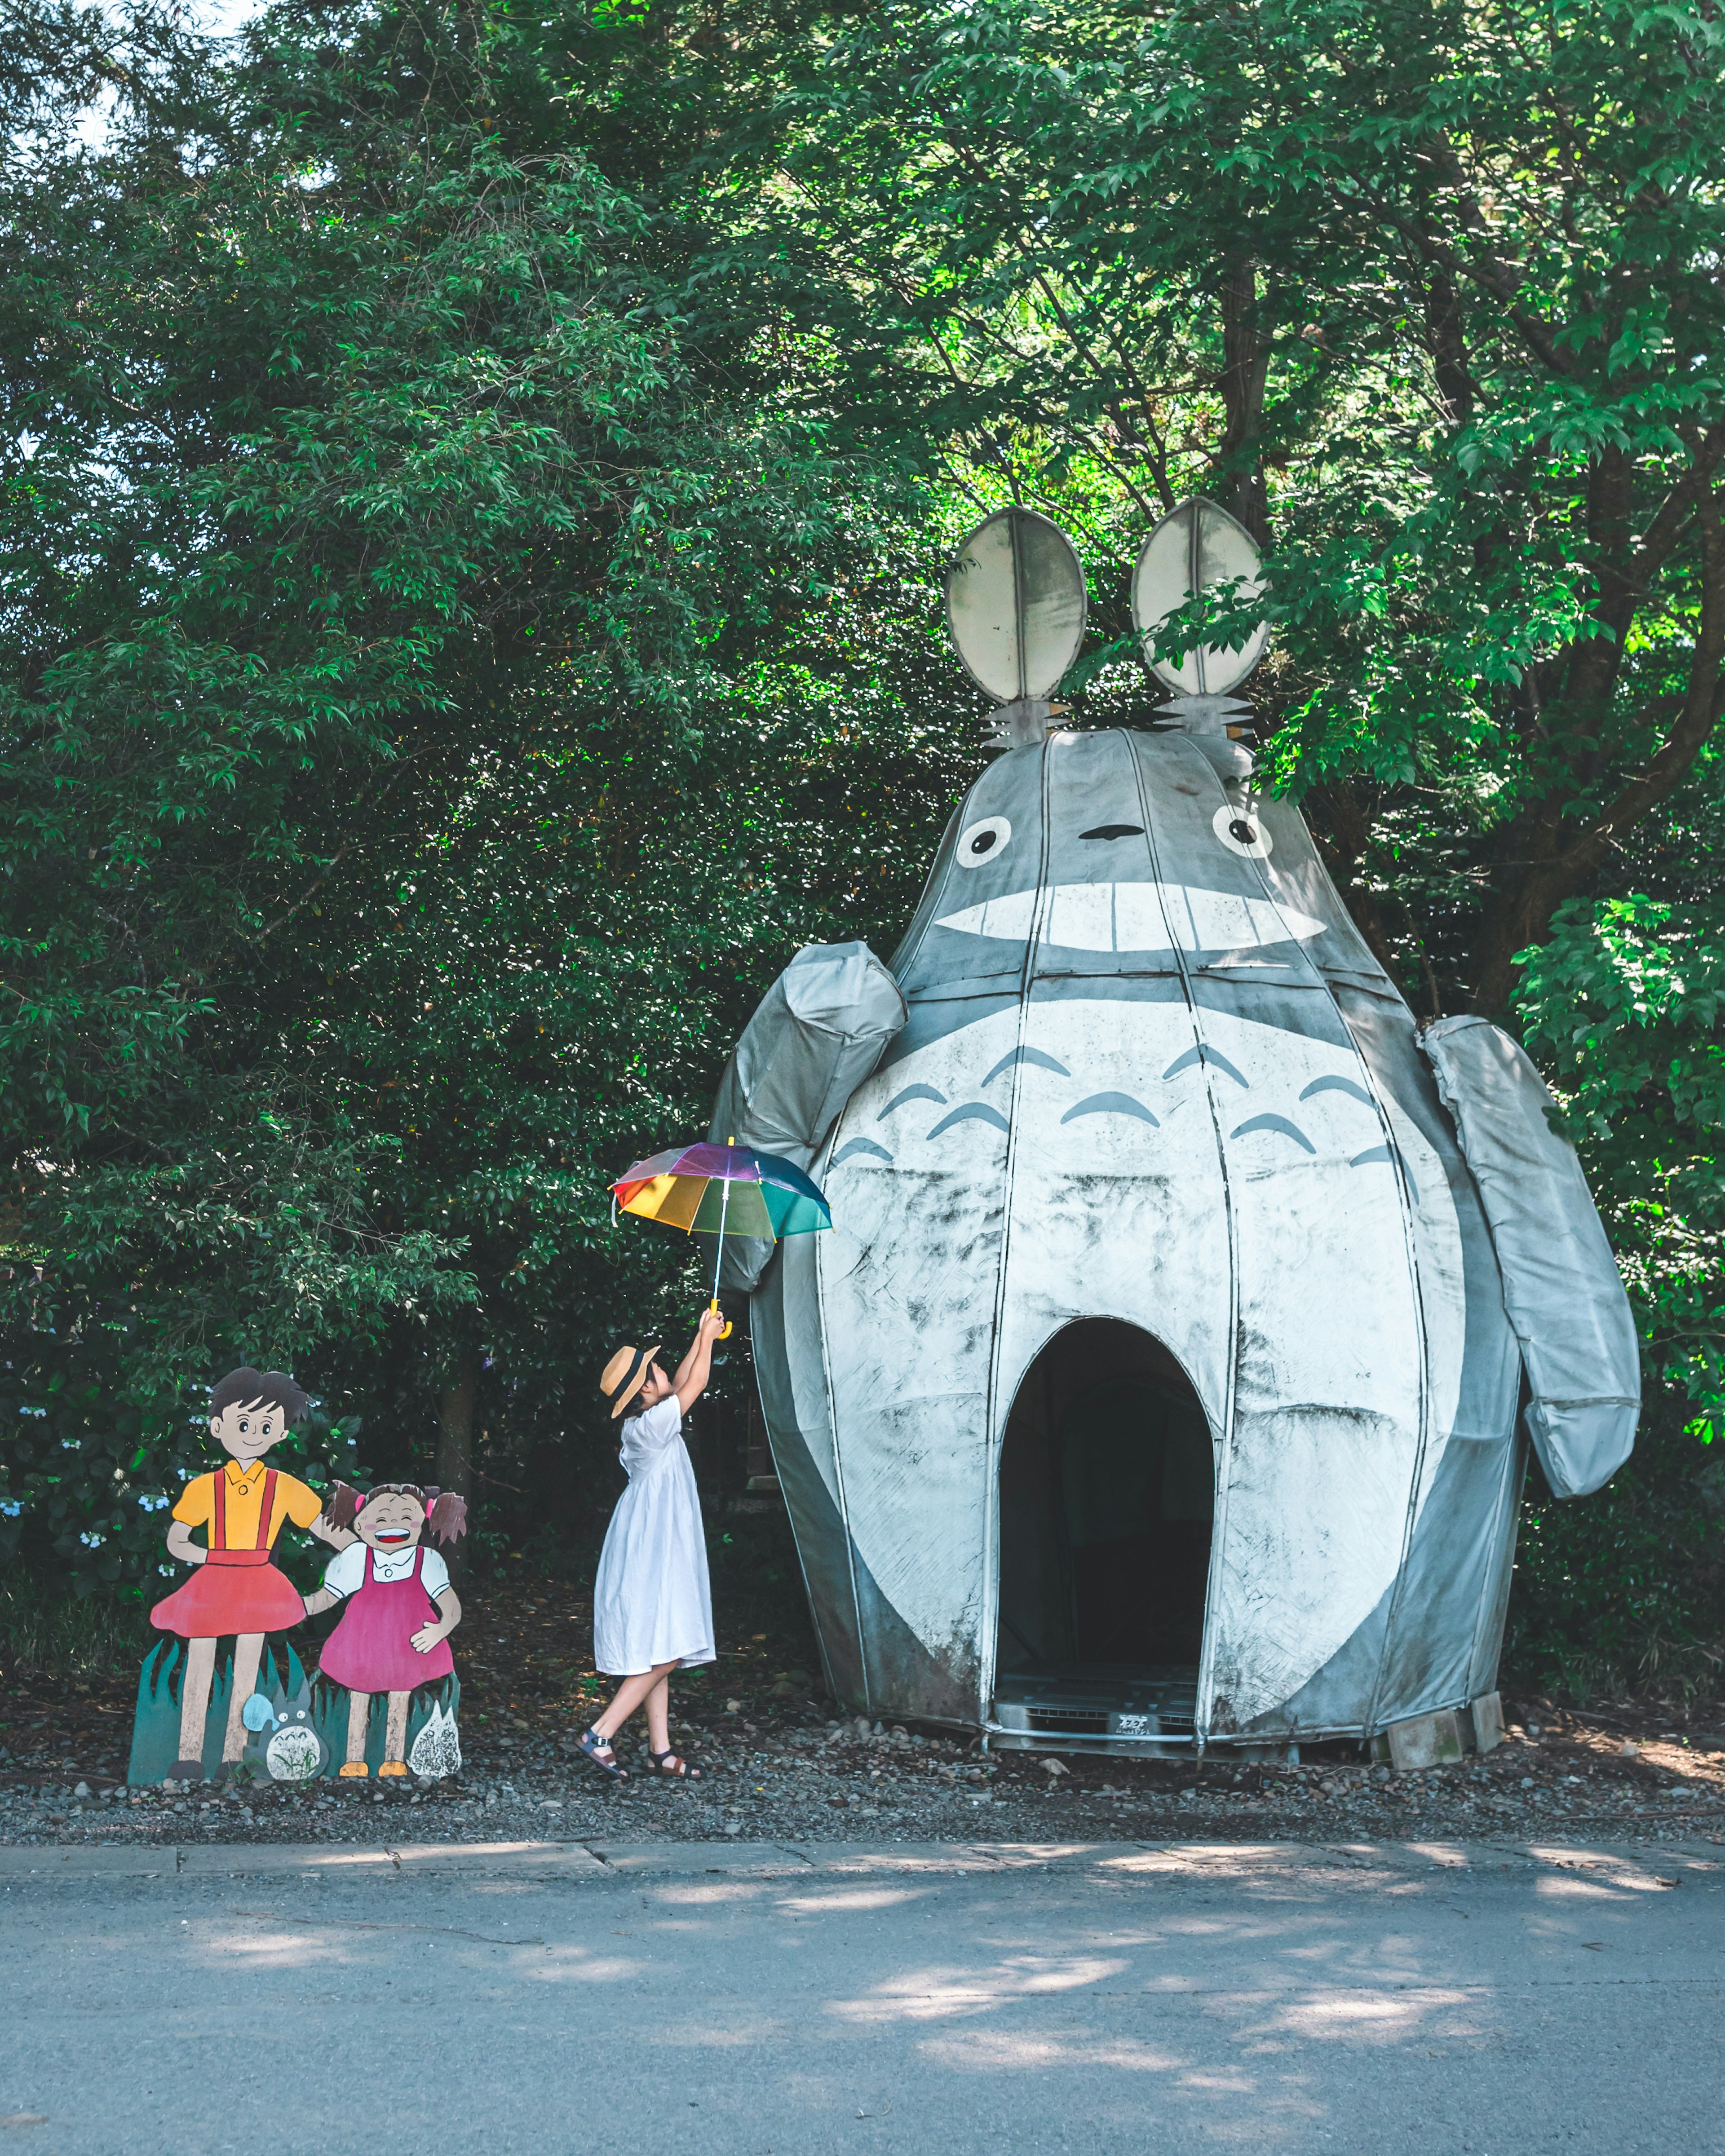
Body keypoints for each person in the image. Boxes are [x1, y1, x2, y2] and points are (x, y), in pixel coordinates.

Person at [150, 1366, 355, 1782]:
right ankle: (188, 1753)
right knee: (199, 1662)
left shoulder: (284, 1486)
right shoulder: (205, 1487)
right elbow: (177, 1539)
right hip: (213, 1580)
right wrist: (211, 1555)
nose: (252, 1433)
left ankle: (233, 1754)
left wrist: (365, 1551)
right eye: (243, 1423)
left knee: (247, 1668)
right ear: (218, 1426)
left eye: (266, 1426)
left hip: (257, 1583)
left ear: (280, 1434)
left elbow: (323, 1527)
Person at [580, 1309, 725, 1781]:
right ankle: (601, 1731)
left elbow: (683, 1378)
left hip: (649, 1537)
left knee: (654, 1645)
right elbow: (695, 1384)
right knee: (670, 1649)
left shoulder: (649, 1418)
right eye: (655, 1369)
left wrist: (703, 1337)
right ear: (645, 1389)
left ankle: (660, 1752)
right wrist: (705, 1337)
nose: (666, 1371)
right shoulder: (653, 1425)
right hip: (654, 1543)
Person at [302, 1482, 468, 1778]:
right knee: (358, 1696)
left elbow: (452, 1608)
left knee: (400, 1695)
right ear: (361, 1525)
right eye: (381, 1519)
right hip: (363, 1643)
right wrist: (297, 1607)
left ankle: (394, 1759)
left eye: (406, 1518)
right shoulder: (356, 1559)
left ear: (422, 1523)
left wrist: (440, 1631)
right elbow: (327, 1597)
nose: (393, 1525)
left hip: (406, 1644)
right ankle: (353, 1758)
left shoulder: (426, 1562)